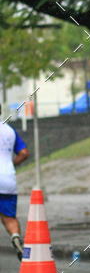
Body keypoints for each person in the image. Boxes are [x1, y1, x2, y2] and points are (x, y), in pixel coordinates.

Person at [0, 107, 28, 260]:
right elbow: (24, 153)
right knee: (9, 217)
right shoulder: (10, 130)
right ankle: (16, 238)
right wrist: (11, 164)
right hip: (7, 178)